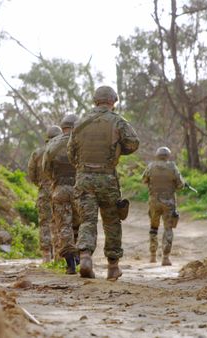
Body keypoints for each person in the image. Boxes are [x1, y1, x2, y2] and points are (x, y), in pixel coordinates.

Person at [67, 86, 139, 280]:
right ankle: (113, 266)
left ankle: (85, 257)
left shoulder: (80, 123)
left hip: (84, 179)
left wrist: (83, 168)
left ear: (95, 101)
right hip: (107, 178)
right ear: (113, 101)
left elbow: (70, 152)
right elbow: (133, 143)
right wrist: (116, 150)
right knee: (112, 221)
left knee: (87, 221)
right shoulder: (117, 121)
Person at [42, 114, 80, 274]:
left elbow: (46, 169)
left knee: (64, 226)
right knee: (80, 225)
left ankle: (70, 263)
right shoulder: (81, 142)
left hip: (60, 189)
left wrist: (57, 181)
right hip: (79, 189)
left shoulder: (52, 145)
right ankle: (81, 256)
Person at [142, 146, 185, 266]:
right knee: (168, 229)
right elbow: (180, 185)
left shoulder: (151, 166)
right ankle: (165, 257)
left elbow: (144, 180)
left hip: (154, 202)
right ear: (168, 156)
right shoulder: (172, 167)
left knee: (153, 228)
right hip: (168, 203)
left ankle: (152, 256)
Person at [27, 125, 62, 263]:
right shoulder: (63, 150)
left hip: (44, 190)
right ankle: (60, 254)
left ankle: (46, 255)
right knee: (61, 221)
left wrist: (41, 184)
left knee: (44, 223)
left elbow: (31, 173)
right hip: (60, 189)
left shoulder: (37, 153)